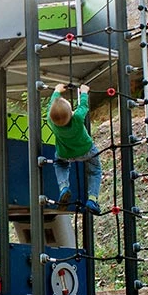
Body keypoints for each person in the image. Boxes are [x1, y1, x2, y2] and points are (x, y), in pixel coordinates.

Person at [47, 83, 102, 215]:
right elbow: (83, 106)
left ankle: (64, 187)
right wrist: (84, 92)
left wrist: (56, 91)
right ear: (71, 113)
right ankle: (92, 199)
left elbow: (50, 107)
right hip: (87, 150)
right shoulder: (77, 118)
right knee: (94, 171)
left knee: (60, 165)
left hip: (65, 154)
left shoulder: (51, 121)